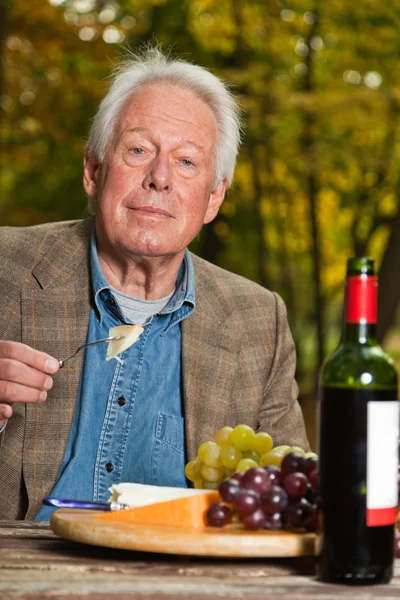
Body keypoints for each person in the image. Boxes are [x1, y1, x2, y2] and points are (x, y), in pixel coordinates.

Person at [0, 47, 309, 520]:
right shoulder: (6, 268)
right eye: (138, 150)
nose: (159, 178)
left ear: (213, 198)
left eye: (187, 161)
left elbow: (291, 498)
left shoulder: (258, 320)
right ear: (93, 171)